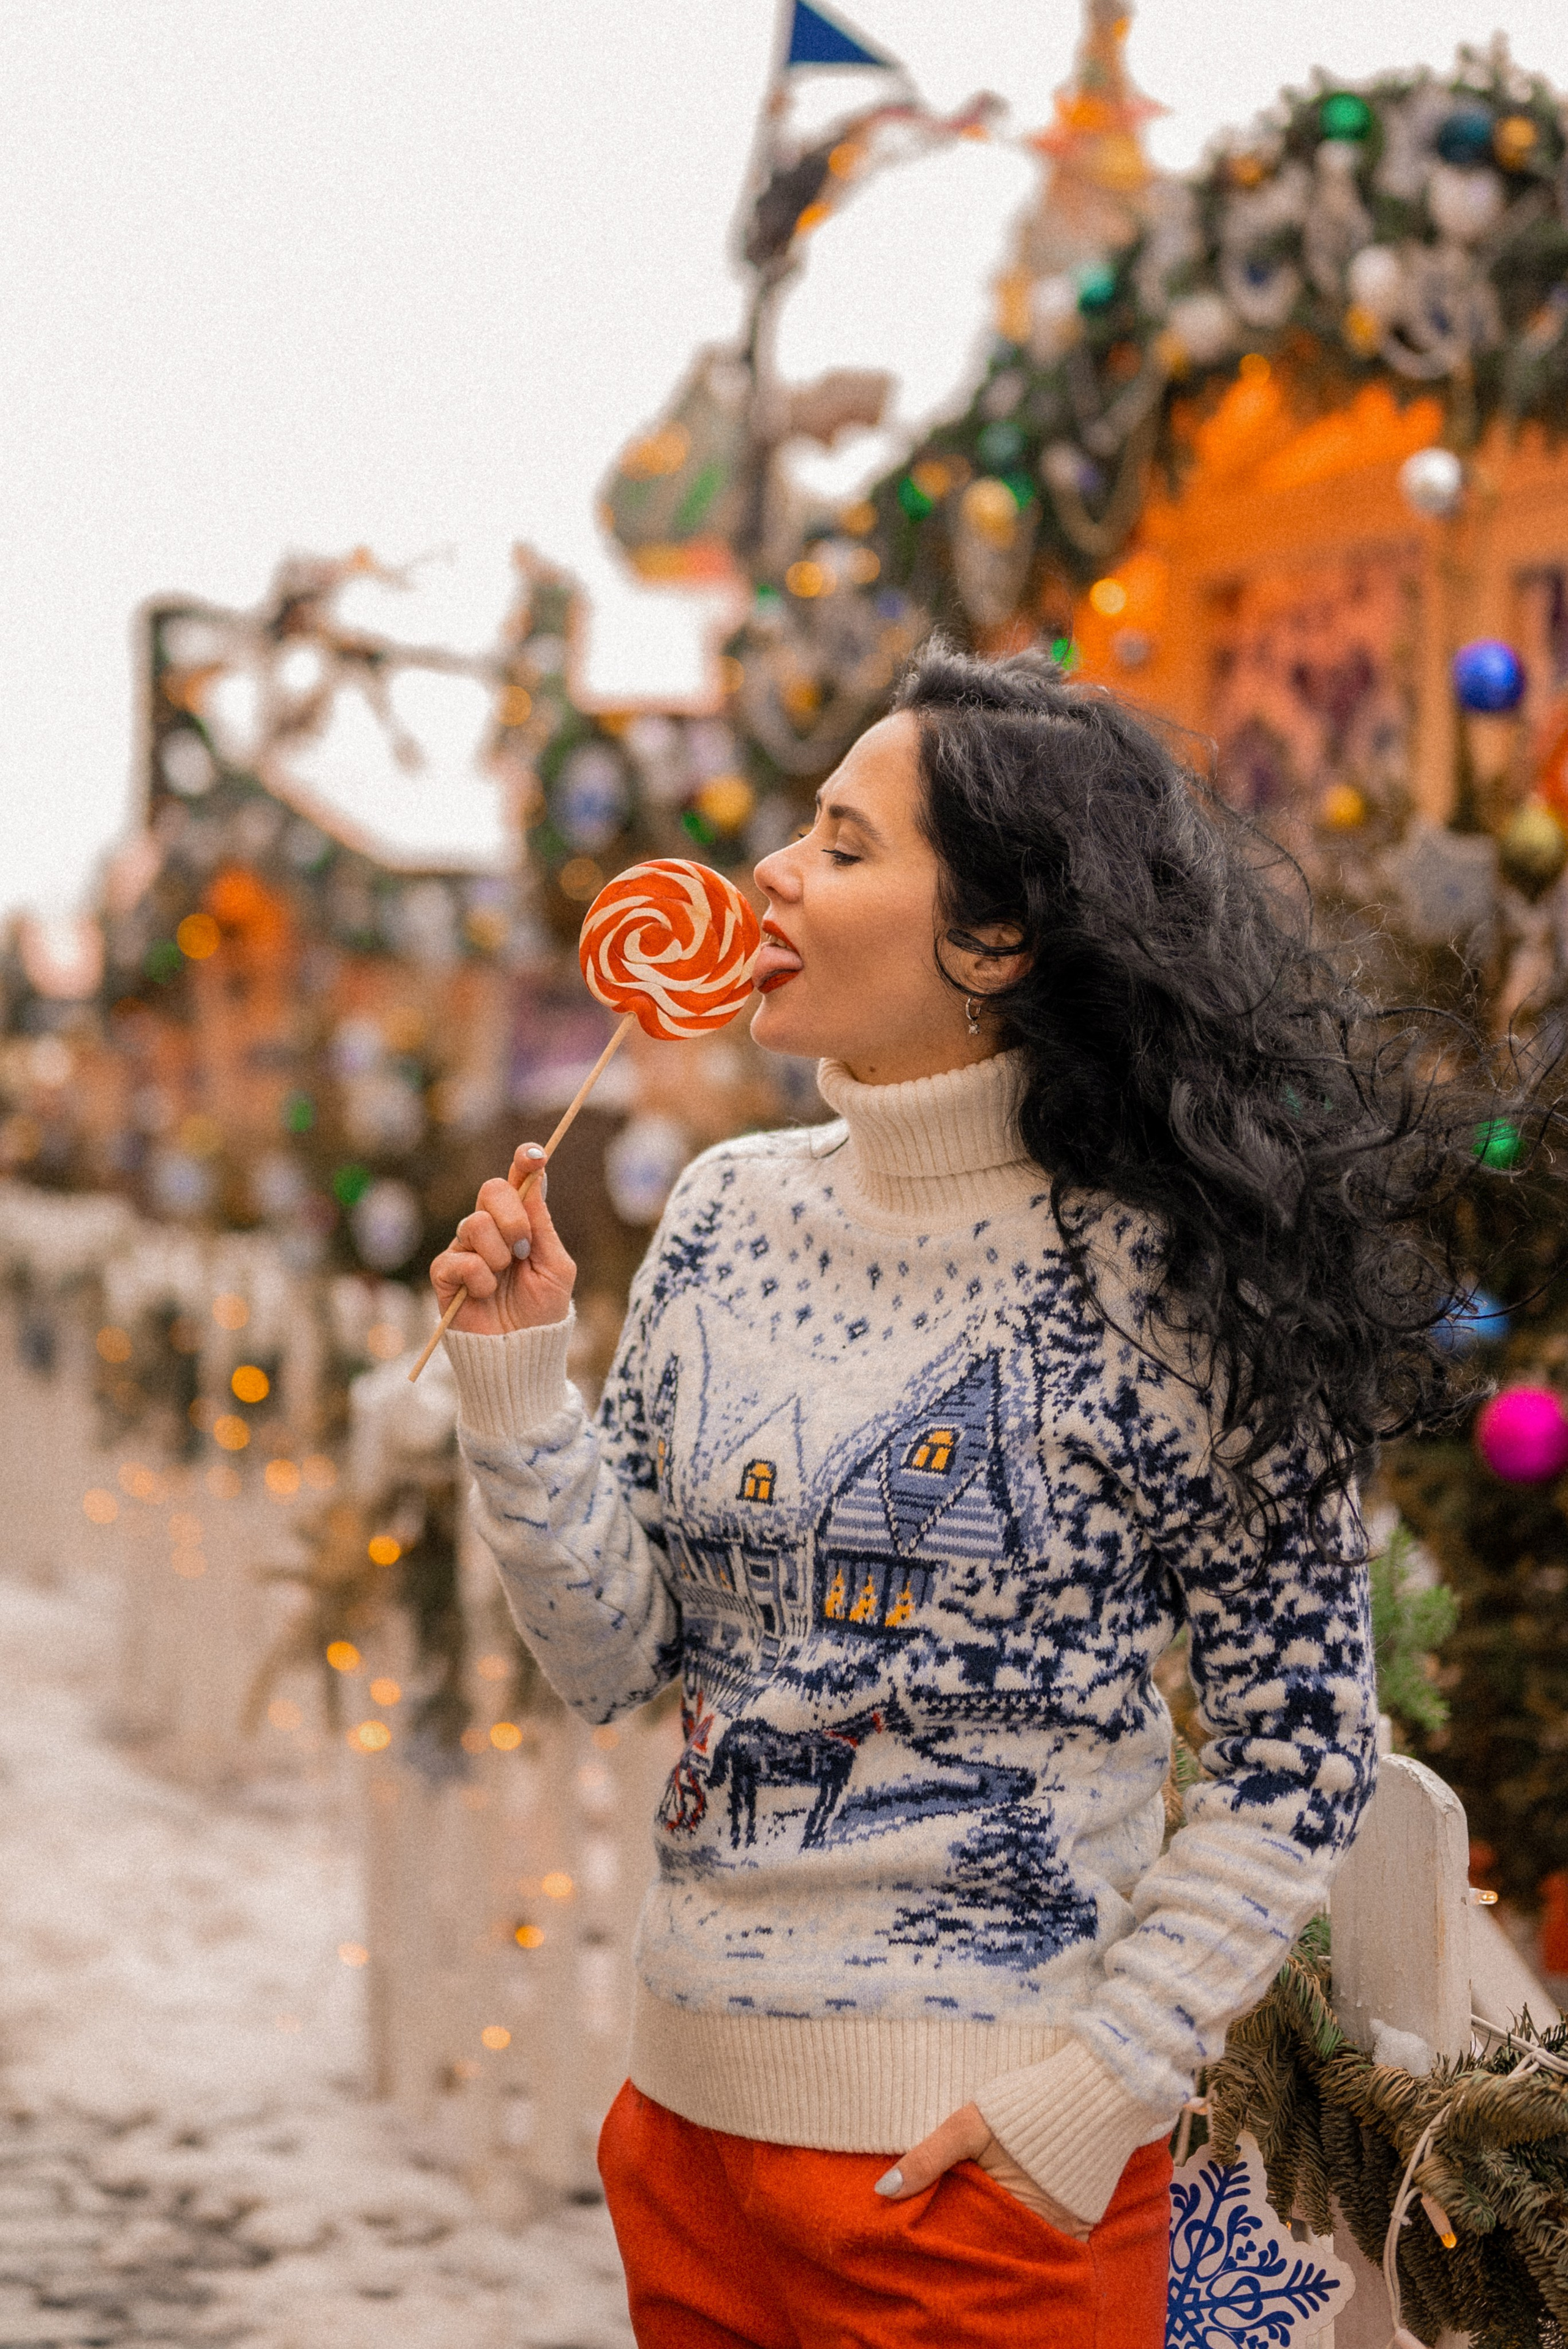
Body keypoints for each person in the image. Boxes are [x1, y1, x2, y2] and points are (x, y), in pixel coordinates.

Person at [430, 644, 1498, 2347]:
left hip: (976, 2198)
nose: (775, 870)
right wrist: (513, 1373)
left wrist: (1087, 2097)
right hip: (686, 2137)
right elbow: (616, 1658)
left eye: (848, 847)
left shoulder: (1175, 1281)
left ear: (995, 939)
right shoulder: (719, 1210)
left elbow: (1301, 1743)